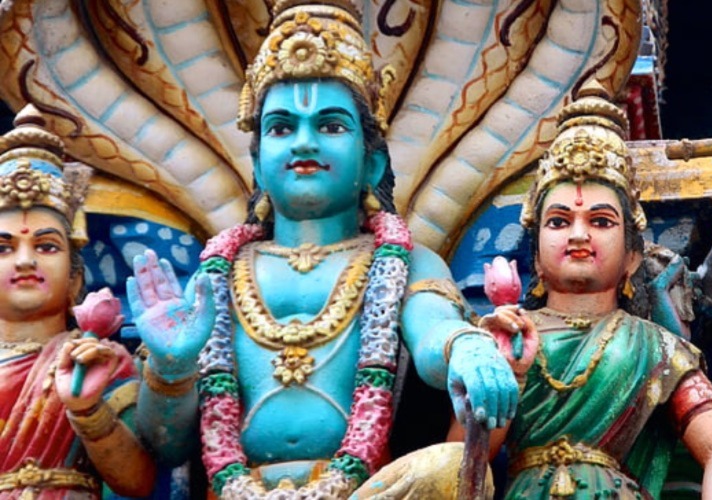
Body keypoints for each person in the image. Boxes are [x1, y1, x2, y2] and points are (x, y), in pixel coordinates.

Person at [128, 0, 518, 497]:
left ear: (372, 162)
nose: (304, 142)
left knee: (445, 468)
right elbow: (165, 446)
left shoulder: (404, 264)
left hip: (363, 491)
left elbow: (431, 333)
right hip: (236, 491)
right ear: (258, 166)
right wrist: (171, 368)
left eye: (331, 125)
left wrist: (465, 345)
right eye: (281, 127)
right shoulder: (216, 278)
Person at [461, 82, 712, 499]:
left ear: (633, 257)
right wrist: (504, 375)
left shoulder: (655, 348)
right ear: (537, 259)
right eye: (559, 221)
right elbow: (461, 464)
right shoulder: (506, 337)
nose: (579, 235)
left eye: (600, 221)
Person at [0, 105, 155, 498]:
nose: (25, 261)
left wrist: (87, 410)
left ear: (75, 278)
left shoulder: (97, 359)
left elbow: (138, 483)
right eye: (3, 248)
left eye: (47, 246)